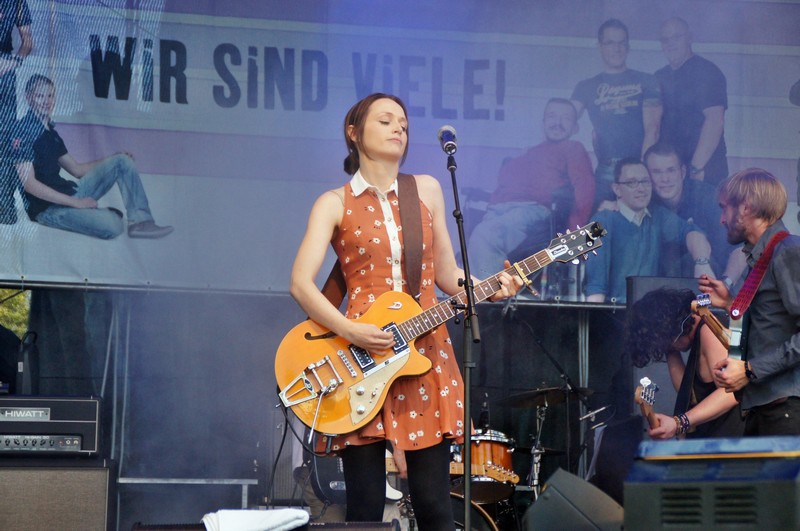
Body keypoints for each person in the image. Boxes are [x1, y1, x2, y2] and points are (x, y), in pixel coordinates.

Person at [288, 93, 522, 530]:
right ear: (353, 132)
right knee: (365, 507)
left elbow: (449, 275)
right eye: (385, 120)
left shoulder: (427, 189)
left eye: (404, 123)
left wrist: (492, 287)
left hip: (425, 352)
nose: (399, 128)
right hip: (361, 355)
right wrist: (350, 331)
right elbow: (300, 283)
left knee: (434, 504)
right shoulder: (334, 202)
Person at [699, 168, 800, 436]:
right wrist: (730, 303)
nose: (722, 219)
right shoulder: (760, 258)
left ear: (745, 207)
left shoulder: (788, 251)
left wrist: (750, 369)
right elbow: (771, 324)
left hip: (786, 409)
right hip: (763, 407)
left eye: (725, 208)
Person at [9, 74, 173, 239]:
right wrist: (76, 203)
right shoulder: (22, 131)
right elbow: (29, 185)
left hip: (69, 193)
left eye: (50, 95)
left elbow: (77, 170)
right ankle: (98, 214)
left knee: (122, 161)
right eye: (40, 96)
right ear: (28, 98)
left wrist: (114, 158)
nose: (47, 101)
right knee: (114, 226)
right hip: (48, 209)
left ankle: (141, 222)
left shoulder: (50, 133)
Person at [468, 97, 594, 280]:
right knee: (475, 238)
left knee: (484, 237)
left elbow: (585, 188)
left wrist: (575, 232)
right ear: (543, 123)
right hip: (498, 211)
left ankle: (489, 296)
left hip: (533, 212)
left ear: (575, 127)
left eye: (565, 118)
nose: (557, 123)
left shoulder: (573, 148)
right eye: (552, 116)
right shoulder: (529, 152)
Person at [584, 158, 714, 304]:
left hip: (650, 312)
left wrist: (702, 263)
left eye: (645, 182)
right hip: (613, 311)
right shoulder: (601, 221)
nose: (641, 188)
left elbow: (692, 232)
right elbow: (596, 287)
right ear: (617, 189)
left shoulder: (658, 215)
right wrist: (594, 315)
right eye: (632, 183)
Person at [626, 287, 743, 439]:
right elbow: (686, 391)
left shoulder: (709, 331)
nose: (670, 346)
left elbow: (730, 393)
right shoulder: (697, 336)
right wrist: (669, 349)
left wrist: (679, 423)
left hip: (730, 441)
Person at [572, 18, 662, 209]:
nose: (617, 48)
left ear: (628, 47)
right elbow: (563, 119)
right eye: (610, 43)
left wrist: (640, 173)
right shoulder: (586, 86)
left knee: (636, 222)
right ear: (600, 46)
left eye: (622, 43)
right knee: (597, 224)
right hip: (605, 171)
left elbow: (652, 129)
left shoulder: (647, 81)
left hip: (638, 168)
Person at [644, 141, 745, 280]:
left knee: (688, 261)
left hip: (716, 278)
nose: (665, 179)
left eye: (671, 170)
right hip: (664, 284)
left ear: (683, 172)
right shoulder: (643, 200)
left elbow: (740, 248)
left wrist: (726, 285)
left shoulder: (709, 198)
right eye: (656, 172)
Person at [655, 17, 728, 187]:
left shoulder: (706, 72)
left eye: (676, 37)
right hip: (671, 174)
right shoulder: (659, 77)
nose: (670, 43)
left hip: (703, 172)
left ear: (690, 37)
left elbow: (715, 121)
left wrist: (695, 168)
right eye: (665, 39)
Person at [0, 0, 33, 224]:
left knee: (4, 141)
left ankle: (5, 205)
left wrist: (12, 62)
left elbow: (27, 41)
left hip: (4, 74)